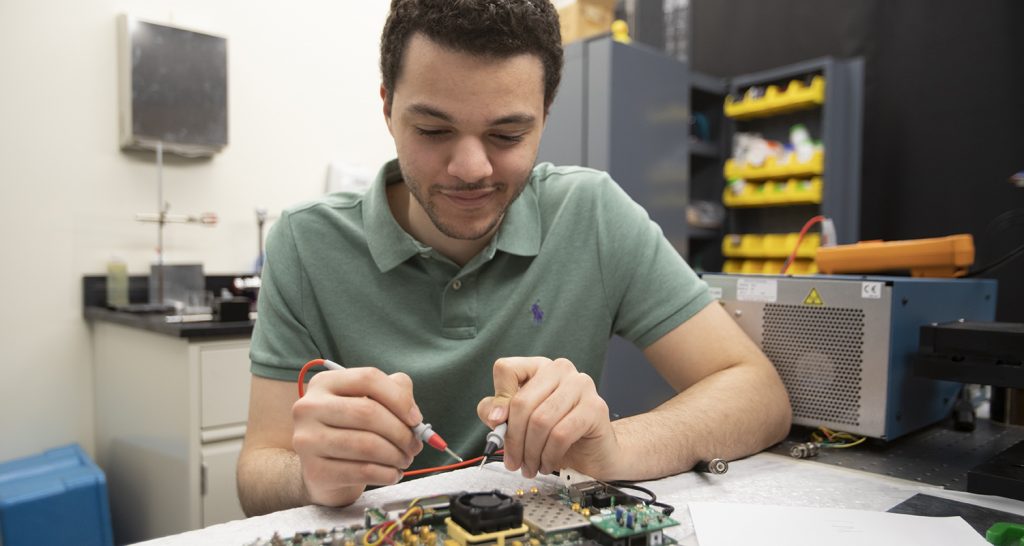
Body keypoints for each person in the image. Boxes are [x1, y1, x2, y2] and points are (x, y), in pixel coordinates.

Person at [237, 0, 791, 517]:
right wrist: (311, 478)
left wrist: (616, 447)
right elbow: (257, 470)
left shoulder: (591, 214)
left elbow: (757, 394)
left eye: (506, 134)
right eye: (433, 130)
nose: (471, 167)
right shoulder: (304, 243)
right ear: (387, 106)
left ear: (545, 116)